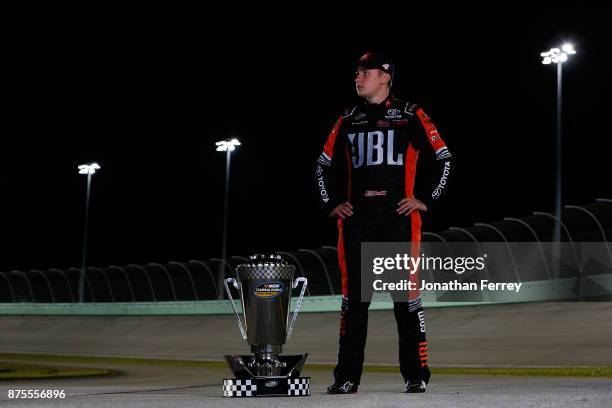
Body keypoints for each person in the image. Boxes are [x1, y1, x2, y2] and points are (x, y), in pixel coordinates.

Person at [314, 52, 454, 394]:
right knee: (354, 305)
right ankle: (346, 378)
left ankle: (416, 375)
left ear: (386, 76)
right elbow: (322, 166)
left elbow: (444, 160)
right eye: (357, 72)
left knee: (406, 302)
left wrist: (427, 199)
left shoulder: (410, 114)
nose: (358, 78)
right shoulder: (347, 117)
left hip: (399, 224)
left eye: (366, 72)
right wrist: (331, 204)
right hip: (356, 225)